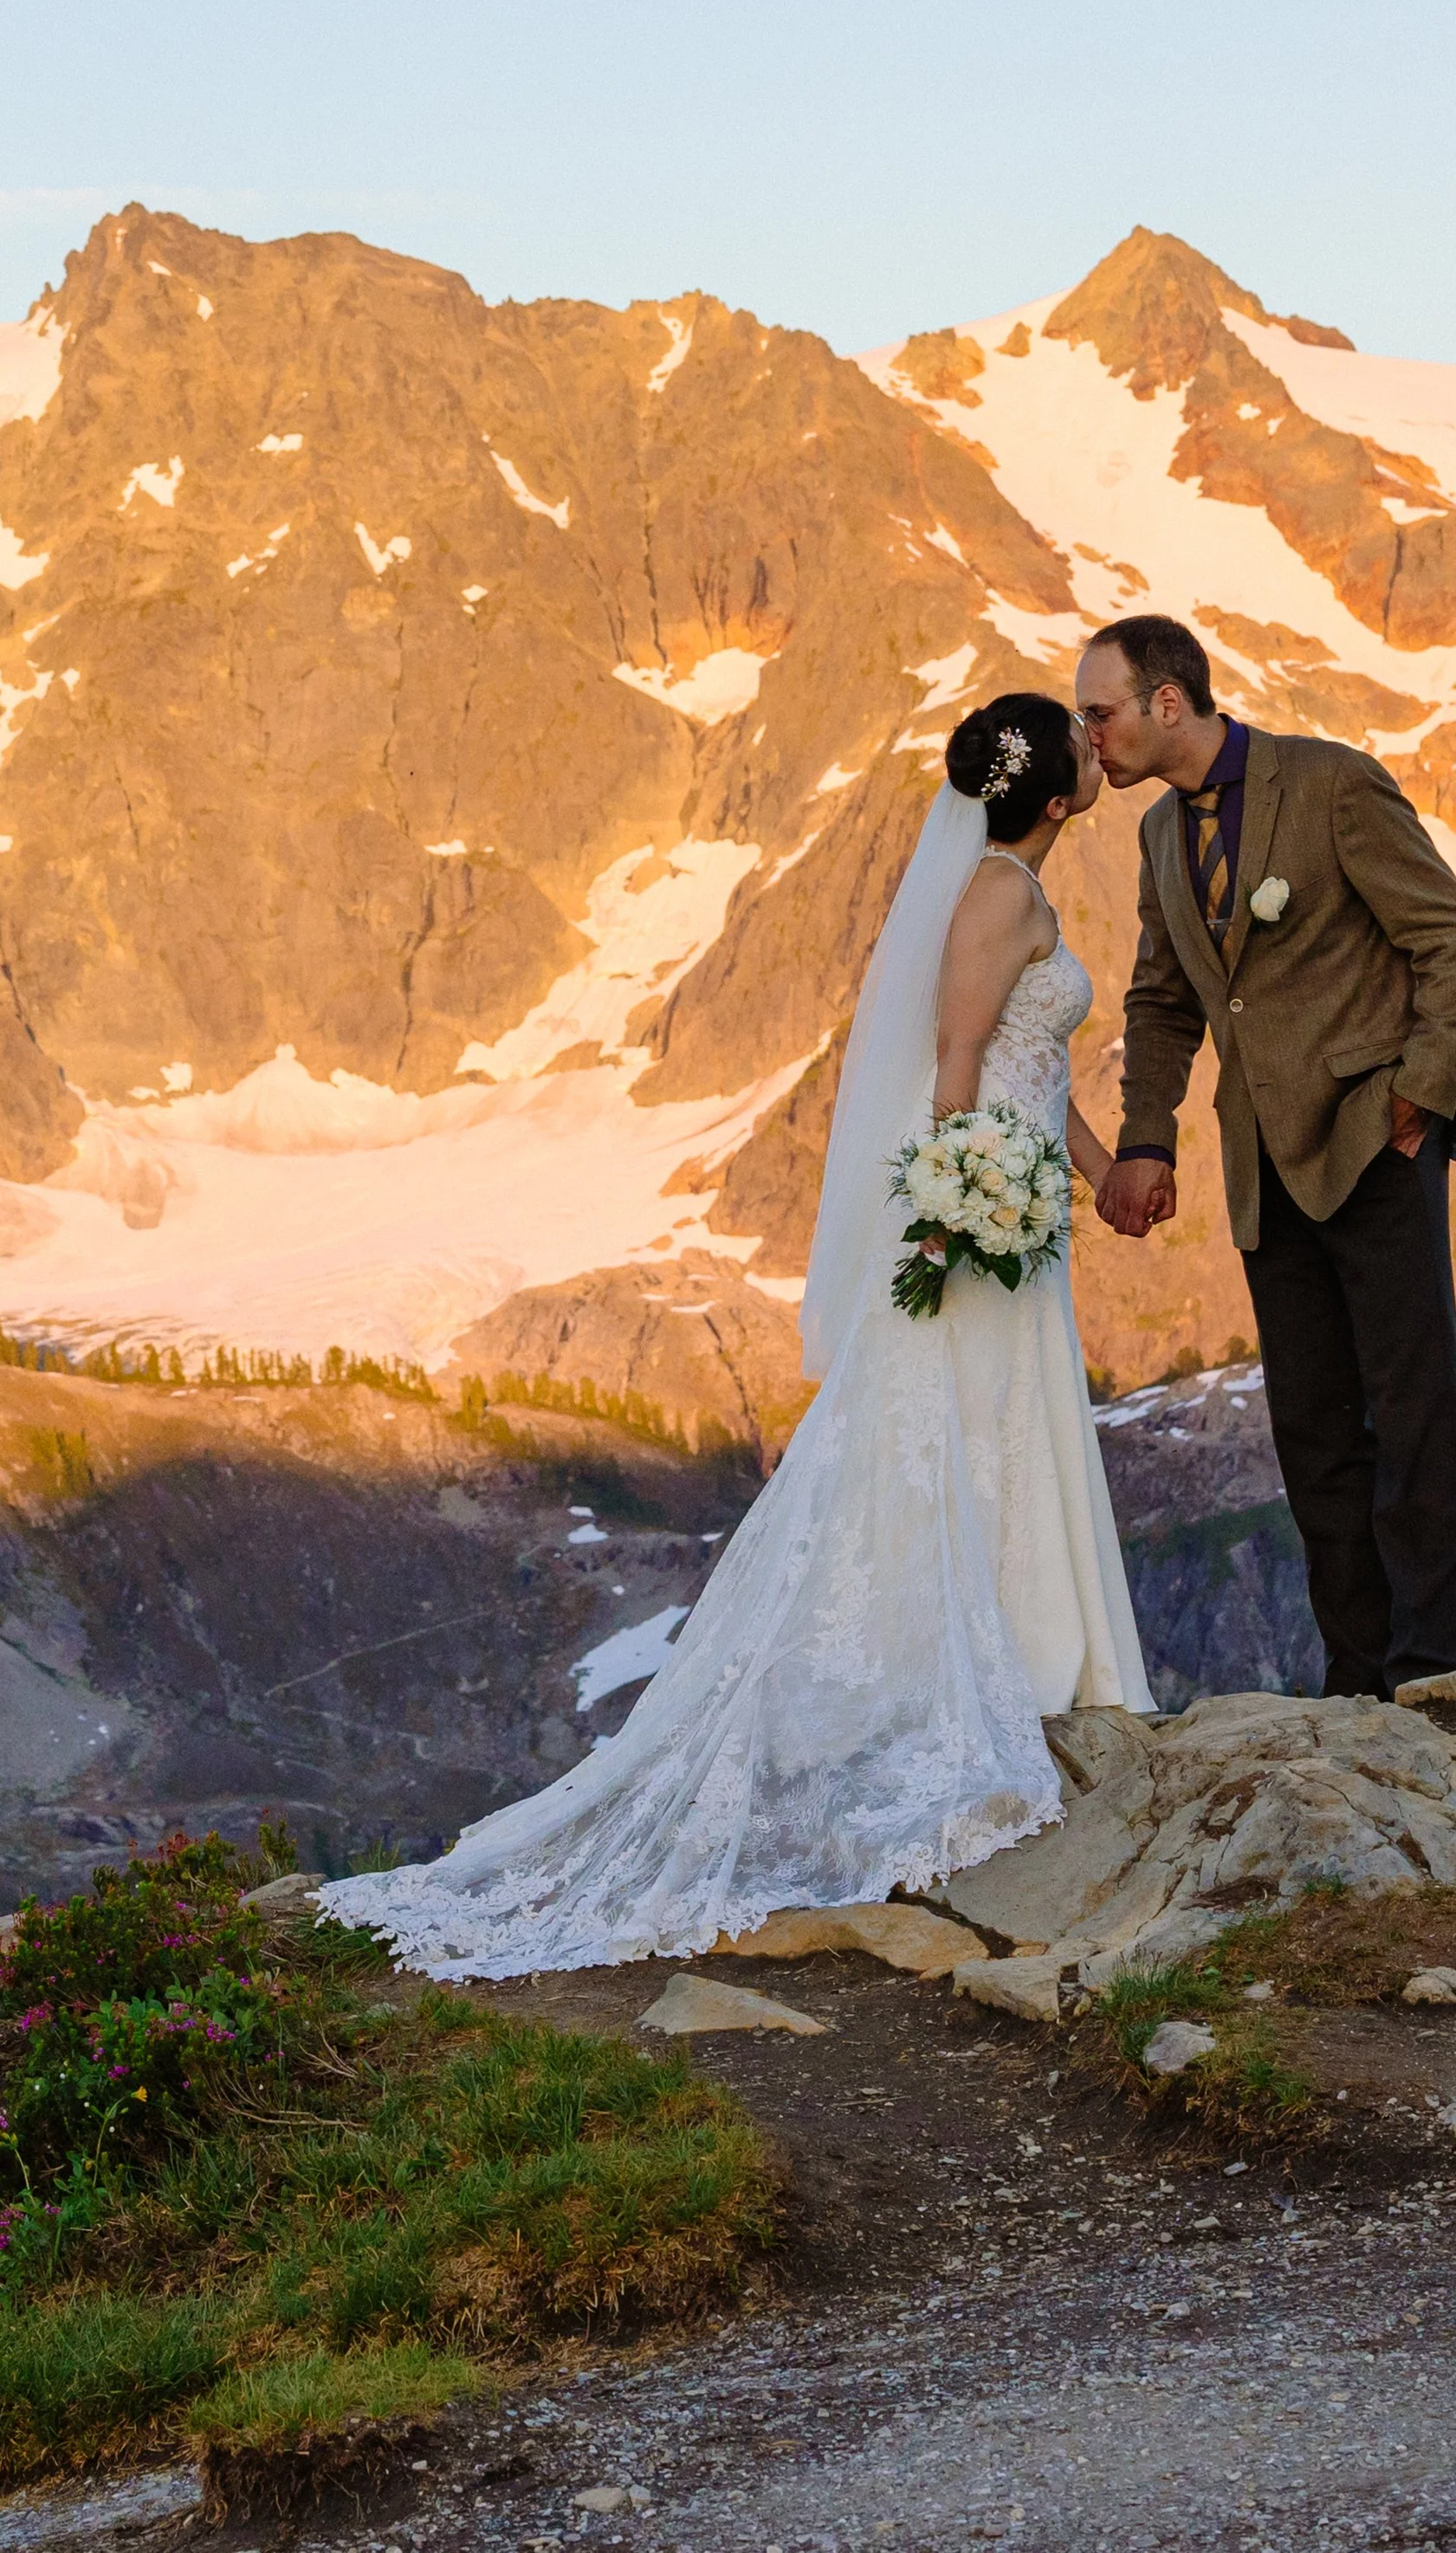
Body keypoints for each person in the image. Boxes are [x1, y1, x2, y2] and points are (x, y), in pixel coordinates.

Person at [320, 692, 1151, 1979]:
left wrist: (1087, 1172)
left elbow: (1033, 1078)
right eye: (1081, 749)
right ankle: (996, 1659)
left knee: (1006, 1422)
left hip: (1022, 1202)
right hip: (985, 1215)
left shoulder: (1012, 882)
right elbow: (960, 1058)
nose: (1101, 757)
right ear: (1050, 797)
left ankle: (1039, 1644)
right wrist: (958, 1198)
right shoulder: (999, 895)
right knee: (964, 1423)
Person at [1075, 613, 1456, 1699]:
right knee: (1312, 1432)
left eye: (1101, 713)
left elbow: (1451, 936)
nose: (1091, 737)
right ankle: (1357, 1685)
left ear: (1169, 702)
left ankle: (1438, 1680)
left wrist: (1417, 1097)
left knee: (1412, 1419)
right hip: (1264, 1168)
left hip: (1376, 1144)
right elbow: (1162, 1001)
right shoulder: (1160, 838)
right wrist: (1146, 1138)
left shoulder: (1334, 785)